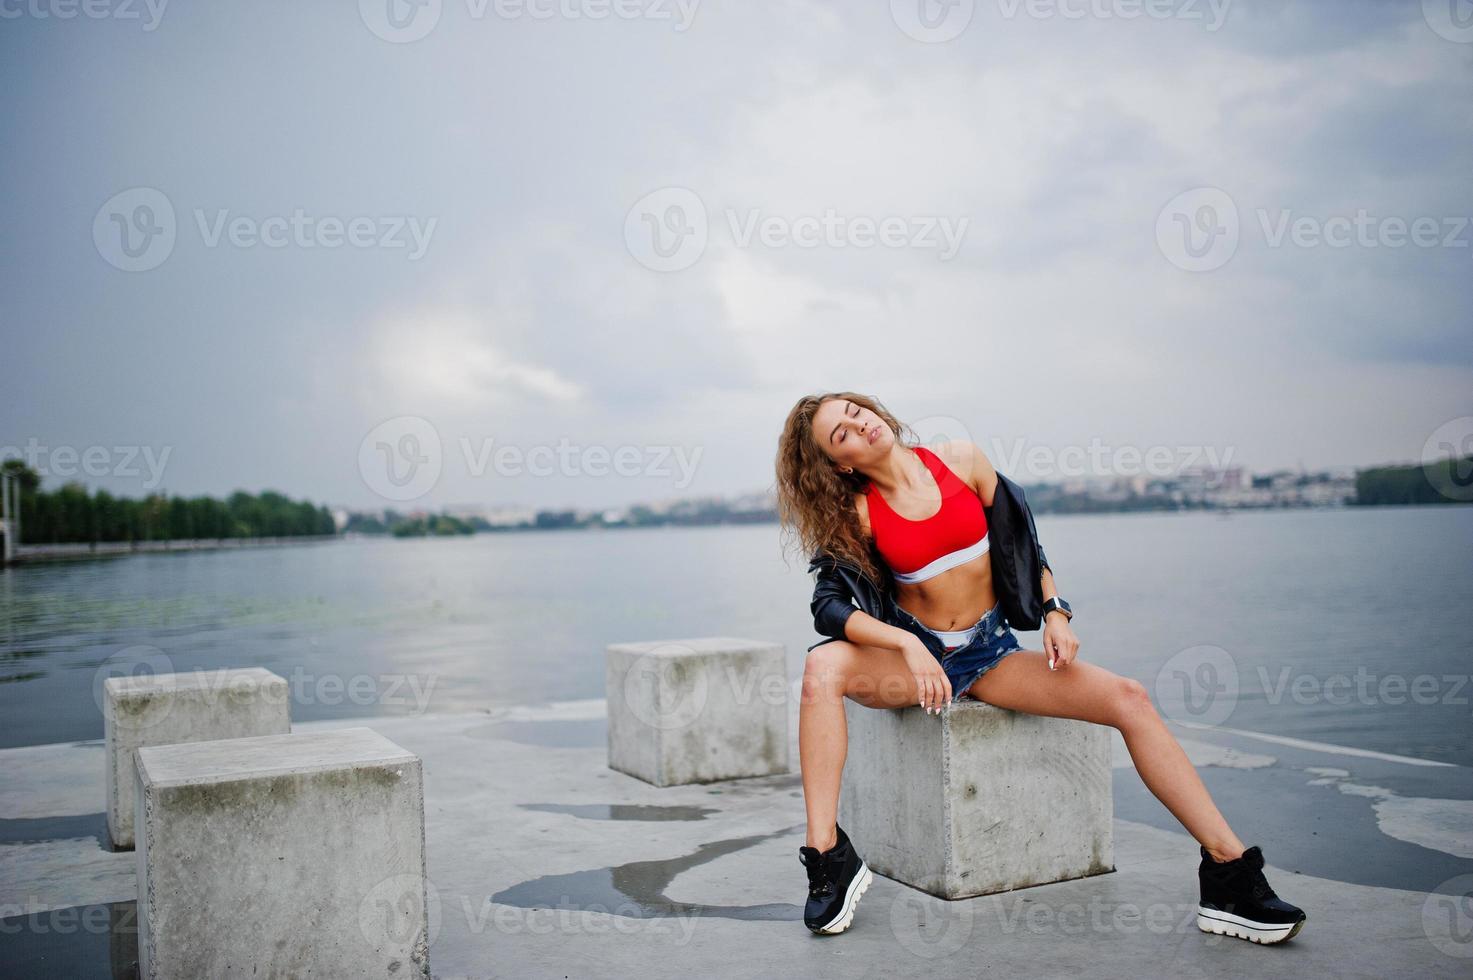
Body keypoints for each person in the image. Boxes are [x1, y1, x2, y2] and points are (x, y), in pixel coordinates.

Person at [774, 391, 1306, 943]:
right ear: (841, 464)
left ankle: (1228, 876)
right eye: (843, 434)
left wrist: (1054, 611)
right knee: (822, 670)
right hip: (918, 663)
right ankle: (827, 855)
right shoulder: (857, 515)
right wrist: (906, 646)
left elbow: (1024, 543)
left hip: (989, 653)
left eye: (857, 412)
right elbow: (829, 608)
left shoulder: (962, 461)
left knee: (1129, 698)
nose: (860, 427)